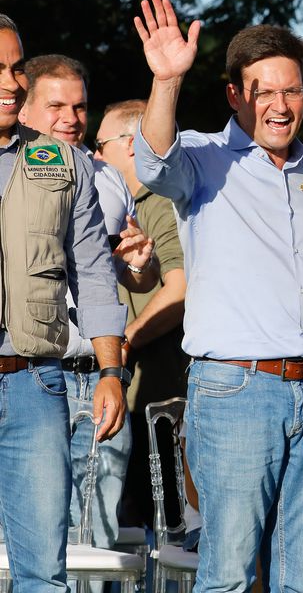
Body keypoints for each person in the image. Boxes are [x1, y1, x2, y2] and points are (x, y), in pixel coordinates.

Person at [131, 0, 303, 593]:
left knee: (301, 576)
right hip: (235, 388)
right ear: (236, 96)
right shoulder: (203, 158)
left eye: (290, 91)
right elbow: (154, 161)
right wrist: (166, 81)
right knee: (229, 575)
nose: (279, 105)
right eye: (263, 91)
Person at [0, 16, 127, 590]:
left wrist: (110, 370)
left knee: (42, 575)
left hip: (34, 383)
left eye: (15, 69)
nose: (11, 82)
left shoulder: (63, 161)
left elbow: (96, 271)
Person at [19, 54, 156, 558]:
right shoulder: (12, 178)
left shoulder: (108, 178)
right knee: (28, 542)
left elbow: (127, 273)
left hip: (98, 377)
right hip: (33, 376)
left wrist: (140, 265)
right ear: (25, 109)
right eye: (56, 105)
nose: (71, 118)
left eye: (79, 107)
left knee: (93, 545)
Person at [94, 98, 190, 527]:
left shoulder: (163, 201)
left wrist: (123, 341)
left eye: (100, 144)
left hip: (162, 402)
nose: (93, 155)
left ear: (130, 144)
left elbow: (181, 288)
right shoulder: (118, 204)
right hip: (130, 397)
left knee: (165, 532)